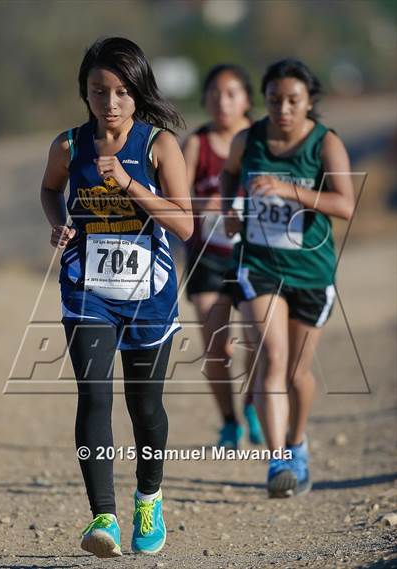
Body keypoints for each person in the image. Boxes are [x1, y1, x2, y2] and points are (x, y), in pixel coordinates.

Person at [40, 37, 193, 557]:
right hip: (88, 291)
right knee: (95, 396)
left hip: (149, 292)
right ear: (84, 93)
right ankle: (102, 516)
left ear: (137, 93)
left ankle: (148, 498)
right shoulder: (69, 146)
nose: (110, 103)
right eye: (98, 91)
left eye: (122, 92)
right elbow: (49, 190)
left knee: (144, 406)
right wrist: (60, 225)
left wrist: (129, 183)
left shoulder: (158, 146)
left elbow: (185, 224)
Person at [221, 59, 354, 497]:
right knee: (272, 358)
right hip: (259, 265)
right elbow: (228, 173)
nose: (283, 108)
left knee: (297, 371)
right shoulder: (249, 139)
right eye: (275, 99)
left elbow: (344, 204)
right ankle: (278, 463)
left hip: (311, 272)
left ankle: (297, 444)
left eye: (293, 100)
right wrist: (229, 208)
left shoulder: (325, 143)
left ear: (308, 102)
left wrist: (290, 190)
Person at [182, 64, 264, 449]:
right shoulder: (197, 144)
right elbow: (175, 199)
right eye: (214, 93)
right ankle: (229, 421)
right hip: (208, 259)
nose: (222, 101)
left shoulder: (261, 141)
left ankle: (251, 403)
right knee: (217, 349)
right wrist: (205, 203)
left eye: (231, 93)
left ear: (247, 99)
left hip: (254, 255)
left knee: (259, 339)